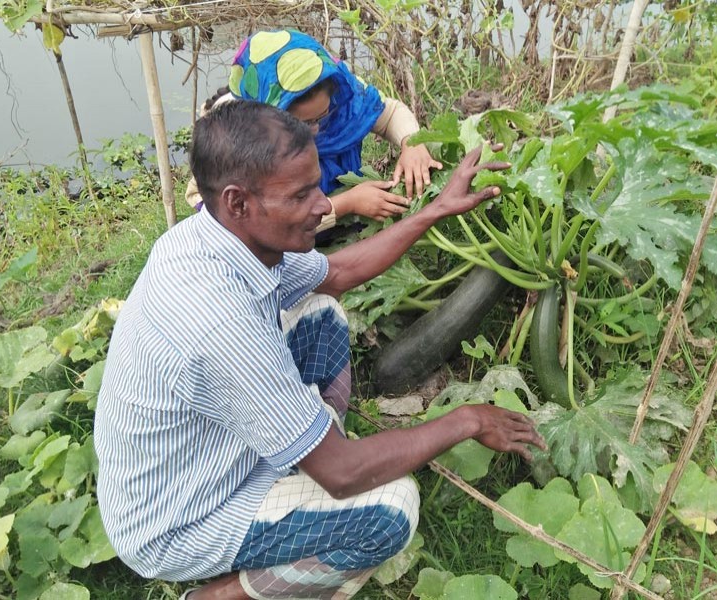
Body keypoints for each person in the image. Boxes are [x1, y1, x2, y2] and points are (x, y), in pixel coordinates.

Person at [94, 100, 544, 600]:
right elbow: (344, 474)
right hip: (178, 520)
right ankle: (214, 595)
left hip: (204, 455)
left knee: (320, 312)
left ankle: (301, 454)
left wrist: (434, 210)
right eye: (302, 193)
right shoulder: (219, 322)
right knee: (391, 507)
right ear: (238, 202)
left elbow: (339, 274)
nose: (325, 205)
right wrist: (469, 420)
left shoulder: (216, 237)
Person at [185, 29, 443, 230]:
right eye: (304, 124)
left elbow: (389, 114)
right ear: (268, 114)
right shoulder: (235, 139)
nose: (318, 129)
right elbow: (261, 226)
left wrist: (413, 143)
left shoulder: (343, 95)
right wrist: (346, 204)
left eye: (324, 115)